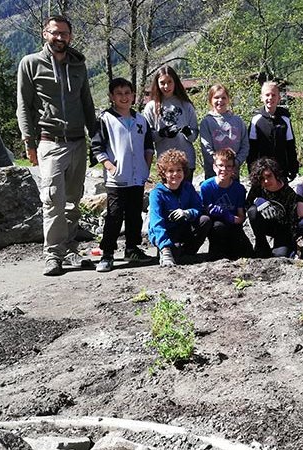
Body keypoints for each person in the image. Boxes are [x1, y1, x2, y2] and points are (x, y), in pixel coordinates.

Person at [17, 15, 97, 276]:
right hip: (49, 142)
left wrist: (95, 139)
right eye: (55, 33)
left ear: (70, 36)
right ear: (45, 33)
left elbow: (87, 104)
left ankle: (71, 250)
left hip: (77, 142)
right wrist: (29, 142)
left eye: (64, 33)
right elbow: (24, 107)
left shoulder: (78, 65)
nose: (59, 38)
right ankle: (53, 255)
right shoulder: (30, 64)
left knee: (74, 201)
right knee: (52, 200)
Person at [90, 77, 154, 272]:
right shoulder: (105, 119)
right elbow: (96, 146)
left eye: (127, 93)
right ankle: (107, 253)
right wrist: (110, 166)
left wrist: (146, 166)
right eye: (119, 93)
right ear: (111, 97)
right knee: (114, 215)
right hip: (117, 179)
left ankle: (132, 248)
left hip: (137, 177)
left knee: (135, 214)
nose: (124, 97)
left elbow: (148, 145)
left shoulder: (141, 119)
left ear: (133, 95)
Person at [147, 150, 212, 267]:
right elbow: (156, 223)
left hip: (184, 227)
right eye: (170, 171)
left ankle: (188, 253)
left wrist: (188, 213)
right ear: (163, 173)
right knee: (173, 253)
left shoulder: (188, 187)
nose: (175, 174)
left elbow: (198, 207)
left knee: (205, 220)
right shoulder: (156, 193)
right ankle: (166, 250)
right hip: (166, 232)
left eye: (179, 170)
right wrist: (165, 249)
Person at [143, 65, 199, 173]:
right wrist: (162, 133)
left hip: (186, 161)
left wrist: (188, 133)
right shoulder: (151, 107)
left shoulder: (186, 105)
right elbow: (148, 137)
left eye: (169, 82)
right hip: (164, 162)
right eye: (162, 83)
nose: (166, 86)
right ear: (157, 84)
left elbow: (194, 136)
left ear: (175, 82)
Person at [199, 148, 253, 260]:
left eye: (228, 166)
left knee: (247, 252)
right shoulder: (206, 187)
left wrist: (229, 217)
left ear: (233, 169)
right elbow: (205, 210)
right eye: (220, 166)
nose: (224, 169)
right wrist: (216, 213)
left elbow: (241, 216)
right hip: (215, 225)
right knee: (219, 228)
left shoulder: (239, 189)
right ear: (214, 167)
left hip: (233, 223)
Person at [245, 158, 298, 258]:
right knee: (253, 211)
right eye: (261, 178)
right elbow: (247, 204)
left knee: (279, 255)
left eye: (269, 176)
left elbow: (293, 221)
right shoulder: (258, 188)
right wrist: (258, 201)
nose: (266, 181)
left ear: (275, 174)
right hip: (264, 226)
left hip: (282, 229)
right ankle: (261, 243)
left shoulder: (289, 193)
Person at [248, 81, 299, 182]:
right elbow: (252, 149)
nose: (270, 98)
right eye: (267, 95)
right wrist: (252, 170)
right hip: (262, 171)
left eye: (273, 95)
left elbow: (290, 146)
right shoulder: (256, 120)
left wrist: (293, 168)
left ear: (279, 98)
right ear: (261, 97)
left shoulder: (285, 120)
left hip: (281, 170)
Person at [199, 84, 249, 179]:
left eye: (223, 97)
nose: (220, 101)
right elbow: (206, 148)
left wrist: (235, 163)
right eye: (216, 97)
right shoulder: (207, 122)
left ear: (228, 99)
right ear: (210, 100)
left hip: (233, 172)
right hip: (213, 173)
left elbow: (245, 145)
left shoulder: (238, 121)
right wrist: (220, 167)